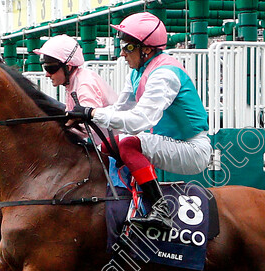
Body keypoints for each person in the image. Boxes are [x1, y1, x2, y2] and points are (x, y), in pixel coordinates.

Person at [34, 35, 151, 271]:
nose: (46, 74)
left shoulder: (83, 82)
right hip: (103, 151)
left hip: (119, 155)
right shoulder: (72, 83)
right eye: (44, 67)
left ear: (68, 65)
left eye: (50, 67)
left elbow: (90, 121)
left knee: (112, 221)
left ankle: (119, 262)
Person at [67, 12, 212, 230]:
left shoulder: (165, 74)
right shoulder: (137, 72)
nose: (122, 53)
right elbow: (118, 110)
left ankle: (161, 210)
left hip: (193, 148)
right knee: (108, 145)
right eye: (121, 46)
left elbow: (139, 120)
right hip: (172, 141)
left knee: (128, 144)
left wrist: (92, 113)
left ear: (147, 49)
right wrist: (84, 116)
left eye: (128, 47)